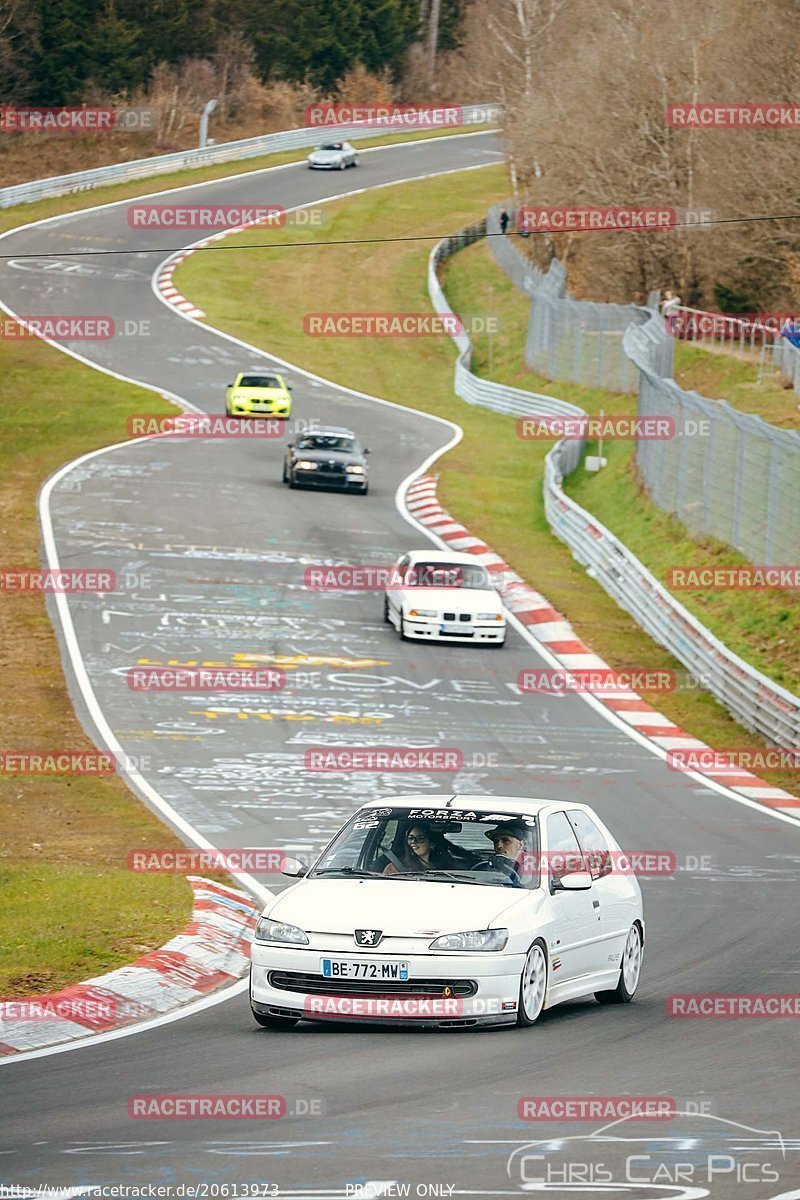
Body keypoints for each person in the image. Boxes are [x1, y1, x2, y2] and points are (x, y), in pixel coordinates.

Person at [383, 821, 459, 875]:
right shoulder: (394, 869)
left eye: (420, 839)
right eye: (410, 838)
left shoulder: (447, 867)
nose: (413, 842)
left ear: (432, 843)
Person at [474, 820, 531, 885]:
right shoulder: (489, 864)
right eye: (496, 841)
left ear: (520, 845)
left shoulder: (533, 866)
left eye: (506, 841)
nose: (499, 846)